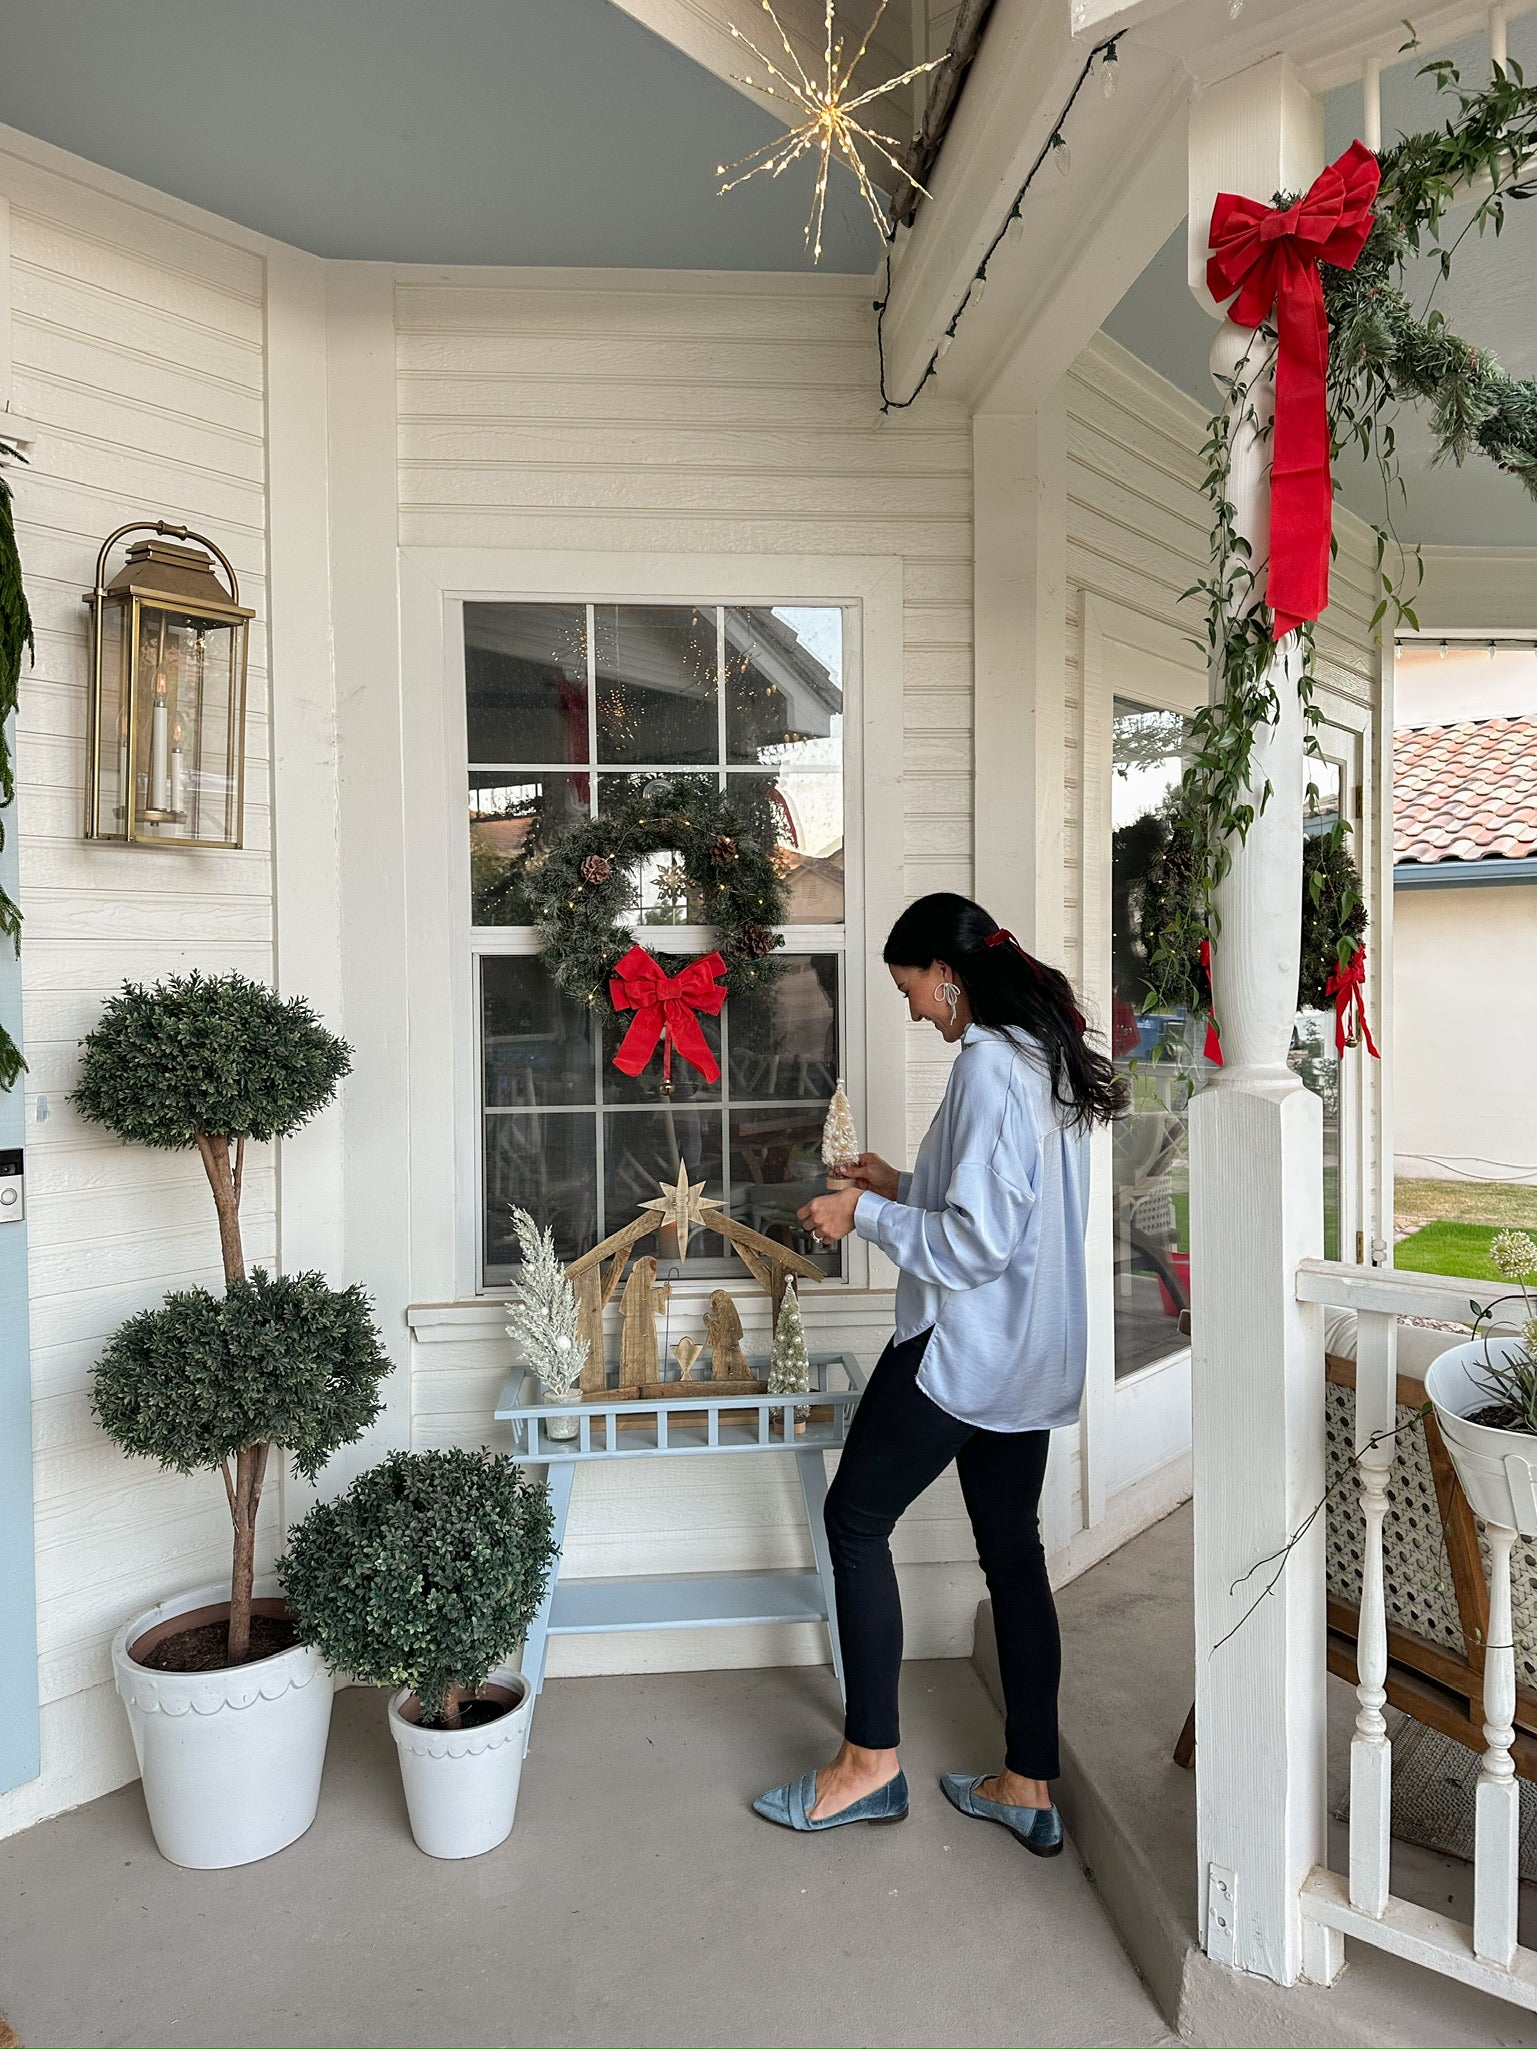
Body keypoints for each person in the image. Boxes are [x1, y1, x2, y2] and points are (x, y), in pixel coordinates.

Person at [752, 893, 1127, 1850]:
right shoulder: (1045, 1059)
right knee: (1013, 1552)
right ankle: (1026, 1783)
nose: (912, 1008)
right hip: (1029, 1356)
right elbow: (1002, 1206)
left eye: (908, 986)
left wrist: (858, 1219)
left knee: (852, 1519)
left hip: (964, 1350)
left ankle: (868, 1763)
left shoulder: (991, 1065)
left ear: (946, 974)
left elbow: (975, 1247)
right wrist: (894, 1184)